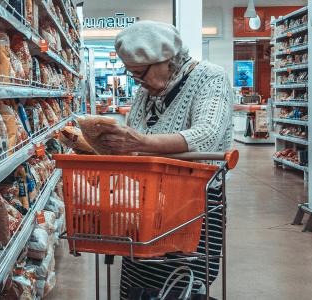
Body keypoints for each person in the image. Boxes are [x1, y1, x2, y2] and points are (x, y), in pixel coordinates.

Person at [95, 21, 233, 299]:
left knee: (183, 278)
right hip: (146, 206)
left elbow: (206, 136)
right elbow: (134, 134)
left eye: (140, 72)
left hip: (194, 206)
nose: (137, 80)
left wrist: (140, 143)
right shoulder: (143, 94)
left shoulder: (210, 78)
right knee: (138, 277)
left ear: (165, 60)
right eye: (131, 74)